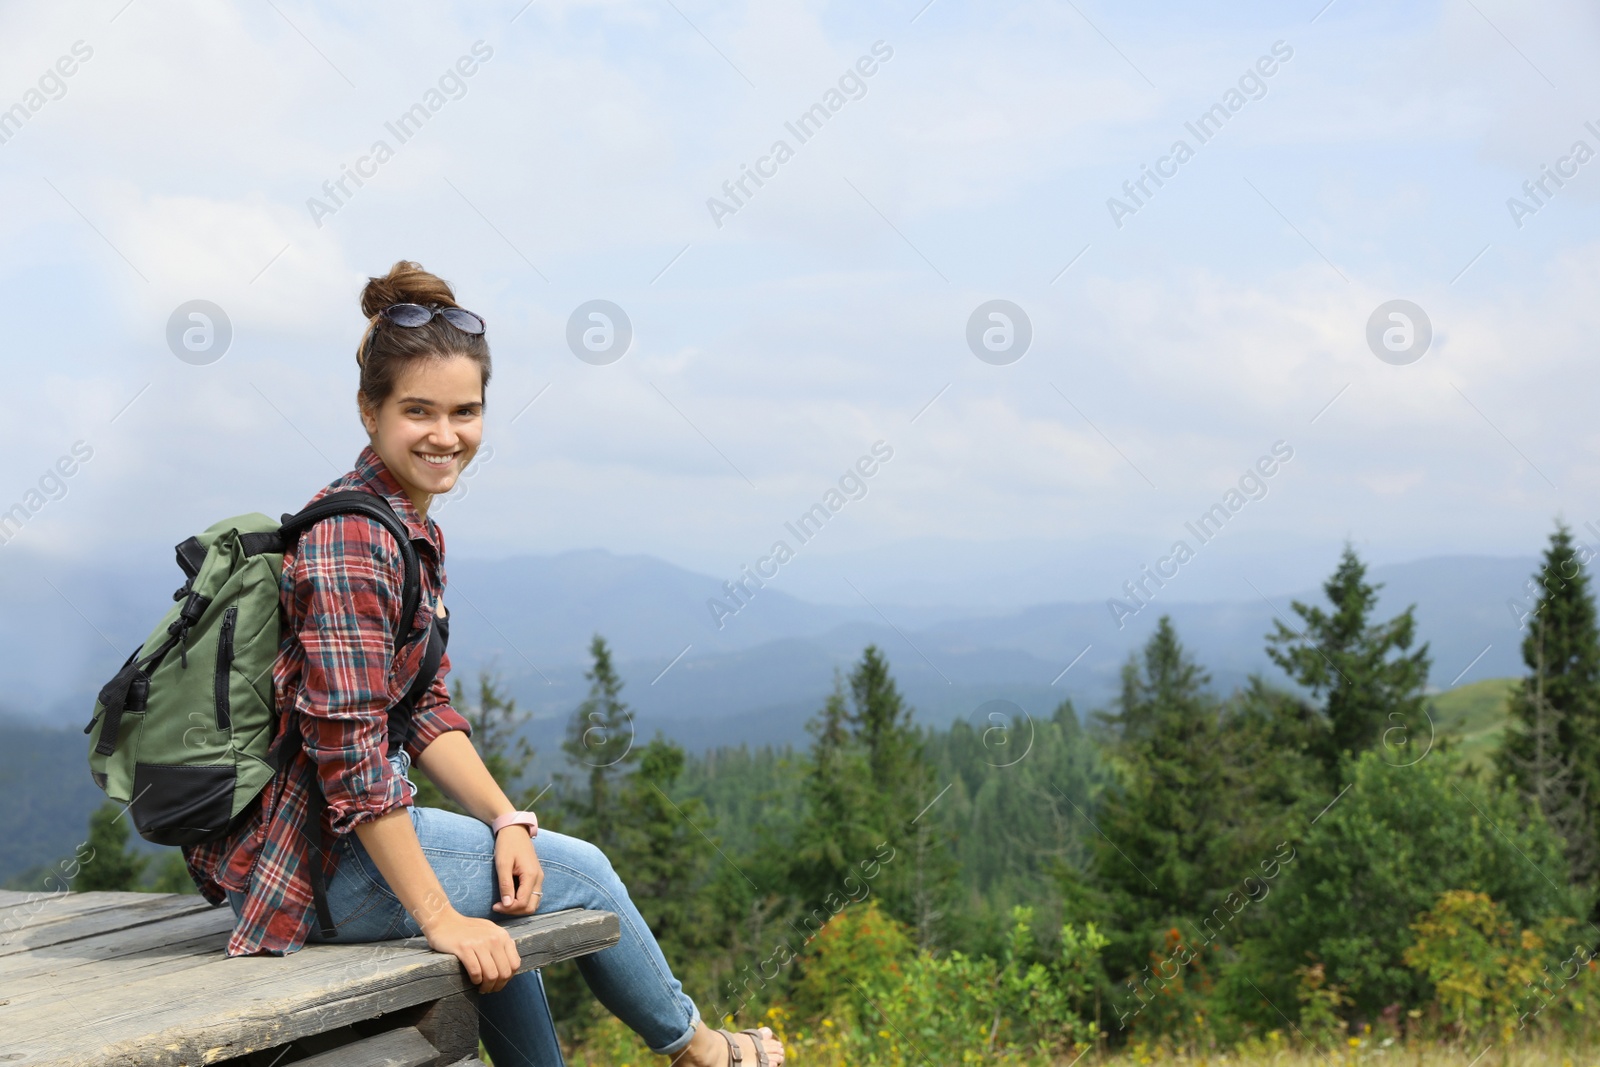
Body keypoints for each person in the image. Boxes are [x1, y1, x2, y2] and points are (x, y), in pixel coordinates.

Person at [182, 260, 784, 1067]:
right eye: (418, 411)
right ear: (370, 411)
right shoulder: (355, 541)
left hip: (333, 851)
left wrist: (507, 821)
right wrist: (440, 917)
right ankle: (705, 1050)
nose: (446, 433)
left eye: (465, 411)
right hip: (314, 867)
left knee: (519, 889)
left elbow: (423, 708)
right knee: (589, 873)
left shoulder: (403, 525)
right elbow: (353, 757)